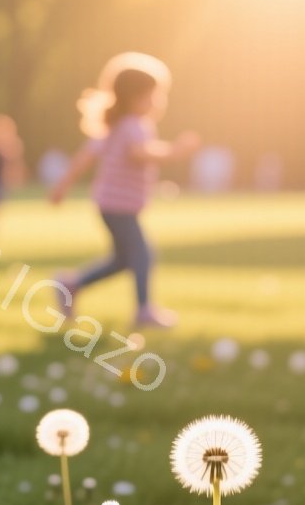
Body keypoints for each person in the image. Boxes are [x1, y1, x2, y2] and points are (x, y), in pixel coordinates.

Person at [48, 52, 199, 328]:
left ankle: (71, 285)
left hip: (111, 205)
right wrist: (176, 151)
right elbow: (140, 154)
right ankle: (144, 311)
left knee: (122, 260)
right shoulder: (133, 126)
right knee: (142, 254)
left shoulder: (115, 125)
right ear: (135, 97)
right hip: (119, 207)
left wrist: (62, 186)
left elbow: (85, 156)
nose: (157, 102)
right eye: (153, 96)